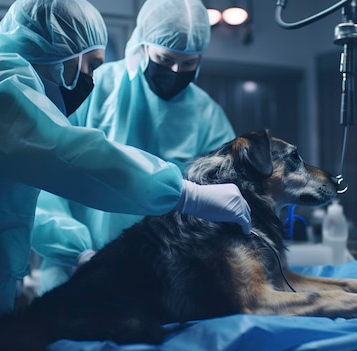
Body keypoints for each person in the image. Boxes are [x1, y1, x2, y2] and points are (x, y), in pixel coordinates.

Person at [0, 0, 250, 350]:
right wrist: (186, 194)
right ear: (57, 47)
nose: (90, 80)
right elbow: (71, 155)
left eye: (188, 63)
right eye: (90, 65)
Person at [31, 0, 238, 293]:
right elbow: (43, 179)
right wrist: (76, 252)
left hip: (164, 283)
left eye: (189, 63)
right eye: (166, 60)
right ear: (143, 45)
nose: (177, 71)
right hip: (77, 275)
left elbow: (224, 196)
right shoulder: (94, 88)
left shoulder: (208, 115)